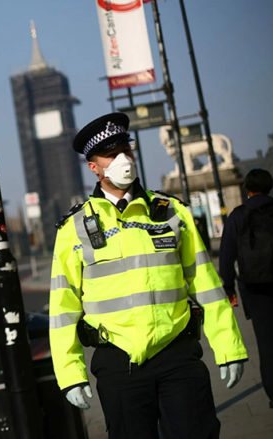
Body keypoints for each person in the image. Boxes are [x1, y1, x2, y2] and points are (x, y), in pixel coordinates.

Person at [48, 112, 248, 439]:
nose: (123, 159)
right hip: (118, 363)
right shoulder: (74, 228)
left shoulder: (172, 212)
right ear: (94, 167)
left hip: (178, 355)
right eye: (111, 155)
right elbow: (63, 308)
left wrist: (229, 347)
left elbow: (206, 285)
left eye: (126, 150)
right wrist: (71, 374)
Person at [219, 168, 273, 408]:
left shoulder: (238, 215)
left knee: (266, 342)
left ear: (247, 189)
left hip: (254, 288)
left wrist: (229, 288)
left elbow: (226, 256)